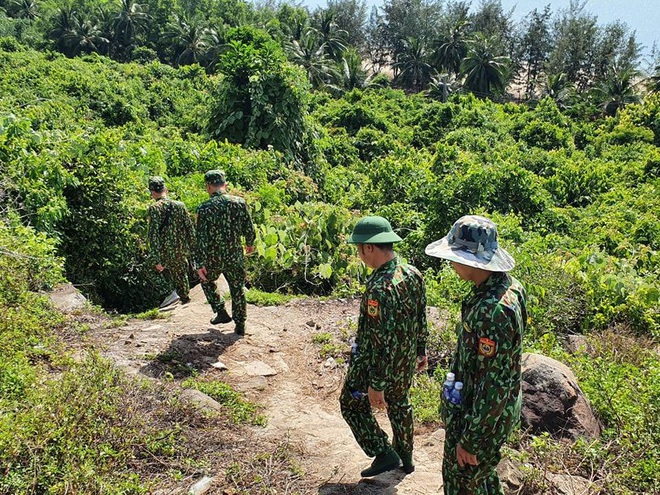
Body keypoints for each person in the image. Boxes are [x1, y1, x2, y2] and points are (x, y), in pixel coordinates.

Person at [425, 215, 527, 495]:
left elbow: (495, 382)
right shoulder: (509, 288)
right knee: (481, 480)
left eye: (454, 256)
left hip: (479, 419)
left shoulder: (493, 310)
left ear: (470, 260)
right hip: (484, 413)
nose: (451, 263)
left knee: (460, 481)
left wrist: (472, 439)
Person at [340, 215, 428, 478]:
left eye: (359, 249)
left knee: (350, 402)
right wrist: (421, 350)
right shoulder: (412, 273)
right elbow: (420, 315)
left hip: (375, 362)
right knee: (400, 402)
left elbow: (379, 340)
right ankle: (406, 456)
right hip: (404, 358)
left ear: (369, 247)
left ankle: (384, 451)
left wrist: (376, 382)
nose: (359, 255)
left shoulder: (379, 287)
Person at [196, 170, 256, 336]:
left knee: (206, 280)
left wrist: (198, 263)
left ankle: (220, 311)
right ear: (225, 185)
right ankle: (240, 324)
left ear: (208, 186)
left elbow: (200, 238)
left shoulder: (203, 208)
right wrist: (249, 244)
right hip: (234, 255)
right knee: (237, 288)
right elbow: (249, 228)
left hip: (212, 257)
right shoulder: (239, 202)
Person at [147, 176, 195, 305]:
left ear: (152, 192)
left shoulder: (154, 208)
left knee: (148, 268)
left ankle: (169, 293)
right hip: (180, 250)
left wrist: (156, 258)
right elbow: (190, 230)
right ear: (166, 189)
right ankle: (185, 300)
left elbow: (153, 235)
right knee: (181, 275)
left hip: (164, 252)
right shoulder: (180, 205)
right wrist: (194, 251)